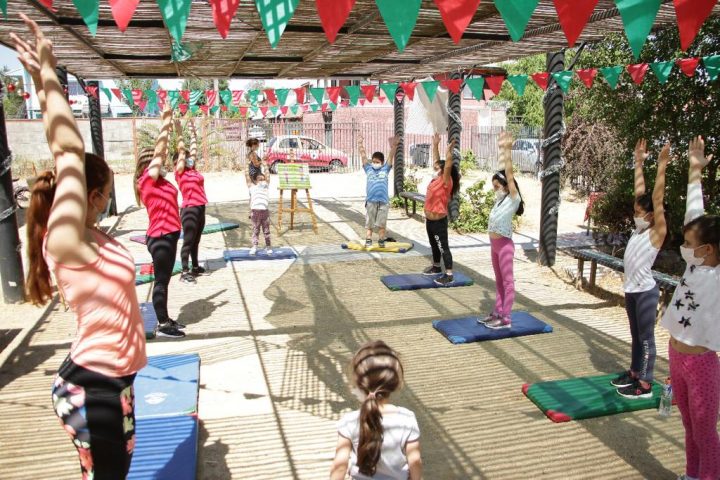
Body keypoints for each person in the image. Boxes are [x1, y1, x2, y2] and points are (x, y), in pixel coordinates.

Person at [14, 15, 147, 478]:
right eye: (106, 195)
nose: (108, 202)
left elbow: (65, 149)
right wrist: (49, 73)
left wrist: (39, 81)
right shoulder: (66, 238)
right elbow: (68, 151)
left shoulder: (91, 235)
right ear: (88, 196)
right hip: (94, 387)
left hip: (113, 383)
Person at [660, 136, 720, 480]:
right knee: (688, 425)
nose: (683, 247)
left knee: (705, 432)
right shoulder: (694, 265)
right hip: (677, 356)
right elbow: (694, 214)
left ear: (708, 249)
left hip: (701, 365)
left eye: (688, 243)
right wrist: (694, 171)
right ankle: (692, 475)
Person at [611, 139, 669, 399]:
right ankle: (635, 372)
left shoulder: (657, 232)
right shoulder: (639, 229)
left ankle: (645, 384)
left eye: (639, 212)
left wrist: (662, 165)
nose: (635, 214)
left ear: (651, 215)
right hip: (631, 290)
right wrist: (638, 163)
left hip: (646, 292)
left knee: (646, 339)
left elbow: (657, 198)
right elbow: (640, 193)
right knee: (635, 336)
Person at [330, 341, 422, 480]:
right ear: (396, 383)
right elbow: (415, 462)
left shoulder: (349, 421)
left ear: (357, 383)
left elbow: (340, 466)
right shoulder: (407, 418)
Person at [134, 105, 185, 339]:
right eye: (159, 160)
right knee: (161, 281)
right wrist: (165, 120)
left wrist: (176, 129)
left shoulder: (161, 181)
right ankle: (163, 324)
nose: (163, 161)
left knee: (165, 280)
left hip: (169, 234)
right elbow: (160, 150)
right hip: (161, 236)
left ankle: (165, 317)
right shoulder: (146, 180)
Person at [479, 132, 526, 329]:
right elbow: (502, 174)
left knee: (507, 282)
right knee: (498, 281)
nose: (494, 189)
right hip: (494, 246)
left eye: (497, 186)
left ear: (506, 187)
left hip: (505, 245)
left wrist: (507, 150)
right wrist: (500, 149)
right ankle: (498, 311)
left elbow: (509, 174)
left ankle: (506, 318)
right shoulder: (500, 201)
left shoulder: (513, 199)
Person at [422, 134, 461, 286]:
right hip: (430, 220)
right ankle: (436, 267)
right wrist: (435, 145)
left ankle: (449, 274)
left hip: (439, 222)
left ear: (444, 170)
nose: (434, 168)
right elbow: (437, 161)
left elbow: (448, 165)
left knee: (443, 247)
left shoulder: (446, 180)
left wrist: (448, 151)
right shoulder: (436, 179)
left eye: (437, 168)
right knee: (434, 245)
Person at [173, 119, 208, 284]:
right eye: (185, 157)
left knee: (196, 240)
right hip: (189, 209)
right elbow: (182, 150)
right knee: (188, 241)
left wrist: (193, 131)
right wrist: (179, 130)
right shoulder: (179, 172)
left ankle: (195, 266)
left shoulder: (192, 169)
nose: (188, 159)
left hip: (201, 207)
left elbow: (193, 148)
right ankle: (184, 271)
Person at [359, 135, 399, 248]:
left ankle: (381, 240)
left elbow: (391, 156)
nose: (375, 163)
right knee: (370, 222)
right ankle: (368, 239)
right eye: (373, 161)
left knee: (382, 223)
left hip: (383, 202)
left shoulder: (385, 169)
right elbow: (363, 155)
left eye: (377, 162)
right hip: (371, 201)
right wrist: (360, 144)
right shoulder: (368, 169)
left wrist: (395, 145)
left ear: (382, 162)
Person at [248, 172, 272, 255]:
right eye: (260, 179)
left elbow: (268, 176)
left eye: (263, 179)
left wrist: (265, 165)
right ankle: (254, 246)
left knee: (266, 231)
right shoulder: (252, 187)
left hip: (265, 211)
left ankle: (268, 247)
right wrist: (247, 166)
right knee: (255, 230)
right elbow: (247, 177)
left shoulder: (266, 187)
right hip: (255, 211)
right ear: (255, 181)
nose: (262, 181)